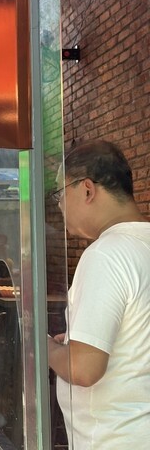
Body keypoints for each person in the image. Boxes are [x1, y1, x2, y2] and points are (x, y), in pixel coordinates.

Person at [47, 140, 150, 448]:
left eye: (60, 195)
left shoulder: (106, 254)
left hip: (115, 438)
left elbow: (83, 369)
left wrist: (43, 347)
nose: (60, 206)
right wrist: (77, 341)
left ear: (87, 190)